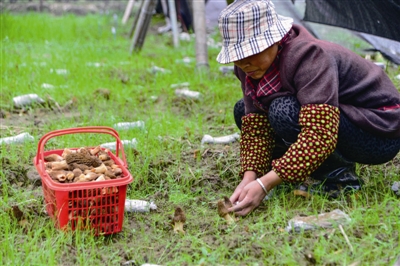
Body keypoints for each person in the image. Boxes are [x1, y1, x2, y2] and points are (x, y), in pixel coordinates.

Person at [216, 0, 400, 216]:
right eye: (238, 56)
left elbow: (320, 134)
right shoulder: (249, 69)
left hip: (379, 133)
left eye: (252, 52)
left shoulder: (309, 56)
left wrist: (267, 184)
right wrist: (251, 177)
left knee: (283, 111)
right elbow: (256, 127)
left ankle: (339, 178)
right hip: (343, 121)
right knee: (244, 111)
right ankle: (297, 169)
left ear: (275, 39)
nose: (244, 62)